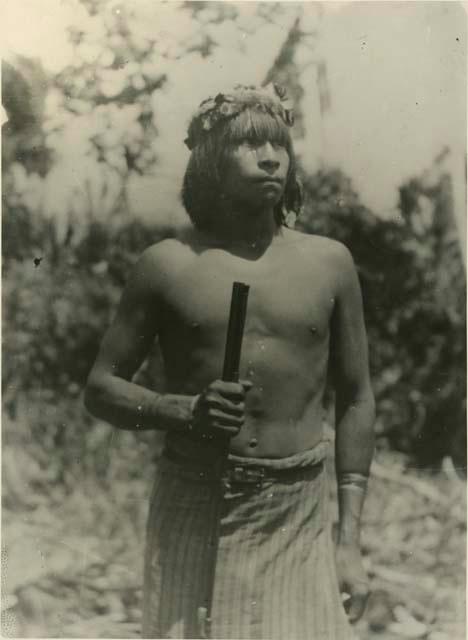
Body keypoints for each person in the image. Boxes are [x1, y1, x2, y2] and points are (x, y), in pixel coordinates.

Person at [85, 84, 375, 640]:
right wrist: (181, 410)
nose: (271, 157)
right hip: (196, 504)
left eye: (280, 146)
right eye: (250, 146)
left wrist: (350, 543)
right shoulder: (168, 266)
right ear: (213, 161)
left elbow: (357, 398)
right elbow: (100, 389)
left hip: (297, 514)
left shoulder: (330, 264)